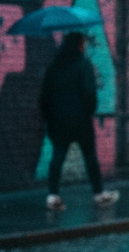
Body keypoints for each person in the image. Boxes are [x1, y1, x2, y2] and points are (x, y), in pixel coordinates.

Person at [38, 32, 118, 209]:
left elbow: (44, 97)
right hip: (80, 120)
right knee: (90, 156)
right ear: (79, 45)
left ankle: (53, 195)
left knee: (57, 157)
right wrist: (88, 111)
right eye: (83, 43)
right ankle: (98, 194)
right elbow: (90, 93)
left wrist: (49, 116)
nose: (84, 46)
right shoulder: (84, 65)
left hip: (58, 121)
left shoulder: (54, 67)